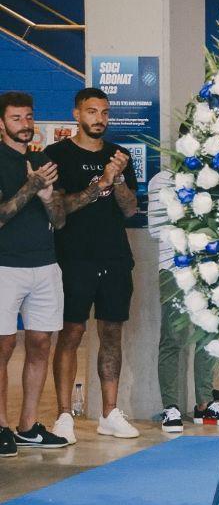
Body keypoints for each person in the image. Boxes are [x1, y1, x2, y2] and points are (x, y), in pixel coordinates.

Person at [45, 88, 140, 441]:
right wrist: (100, 183)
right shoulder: (57, 155)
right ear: (76, 114)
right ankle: (64, 415)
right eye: (91, 111)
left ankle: (109, 413)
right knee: (71, 333)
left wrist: (117, 179)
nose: (99, 118)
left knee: (112, 333)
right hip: (74, 257)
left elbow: (130, 209)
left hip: (114, 256)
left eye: (104, 112)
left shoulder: (119, 156)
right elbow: (59, 212)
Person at [0, 91, 68, 455]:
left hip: (45, 265)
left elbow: (60, 219)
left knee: (41, 343)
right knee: (3, 346)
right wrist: (32, 186)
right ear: (1, 123)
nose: (24, 124)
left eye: (28, 117)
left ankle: (27, 426)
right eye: (16, 118)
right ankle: (0, 427)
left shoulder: (43, 161)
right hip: (5, 266)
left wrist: (46, 197)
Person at [148, 168, 219, 431]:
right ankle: (171, 407)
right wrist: (194, 230)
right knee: (173, 337)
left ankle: (204, 403)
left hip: (210, 267)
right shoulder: (162, 180)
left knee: (208, 336)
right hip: (174, 268)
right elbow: (156, 230)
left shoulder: (215, 175)